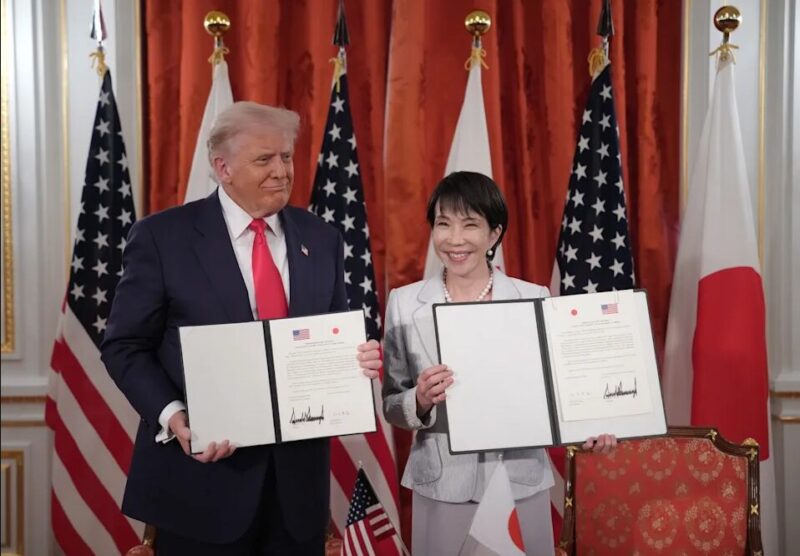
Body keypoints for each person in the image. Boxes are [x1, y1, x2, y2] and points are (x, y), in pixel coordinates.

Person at [101, 101, 381, 555]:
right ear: (223, 168)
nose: (281, 171)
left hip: (297, 494)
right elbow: (124, 346)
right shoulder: (162, 238)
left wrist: (357, 358)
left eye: (286, 157)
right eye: (264, 159)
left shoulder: (322, 238)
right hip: (198, 486)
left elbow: (332, 335)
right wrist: (174, 416)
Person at [381, 171, 616, 555]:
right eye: (443, 224)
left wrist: (592, 428)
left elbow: (560, 393)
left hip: (519, 481)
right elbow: (392, 403)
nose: (454, 239)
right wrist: (419, 400)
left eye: (470, 225)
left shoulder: (534, 298)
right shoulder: (404, 303)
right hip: (441, 485)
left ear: (494, 234)